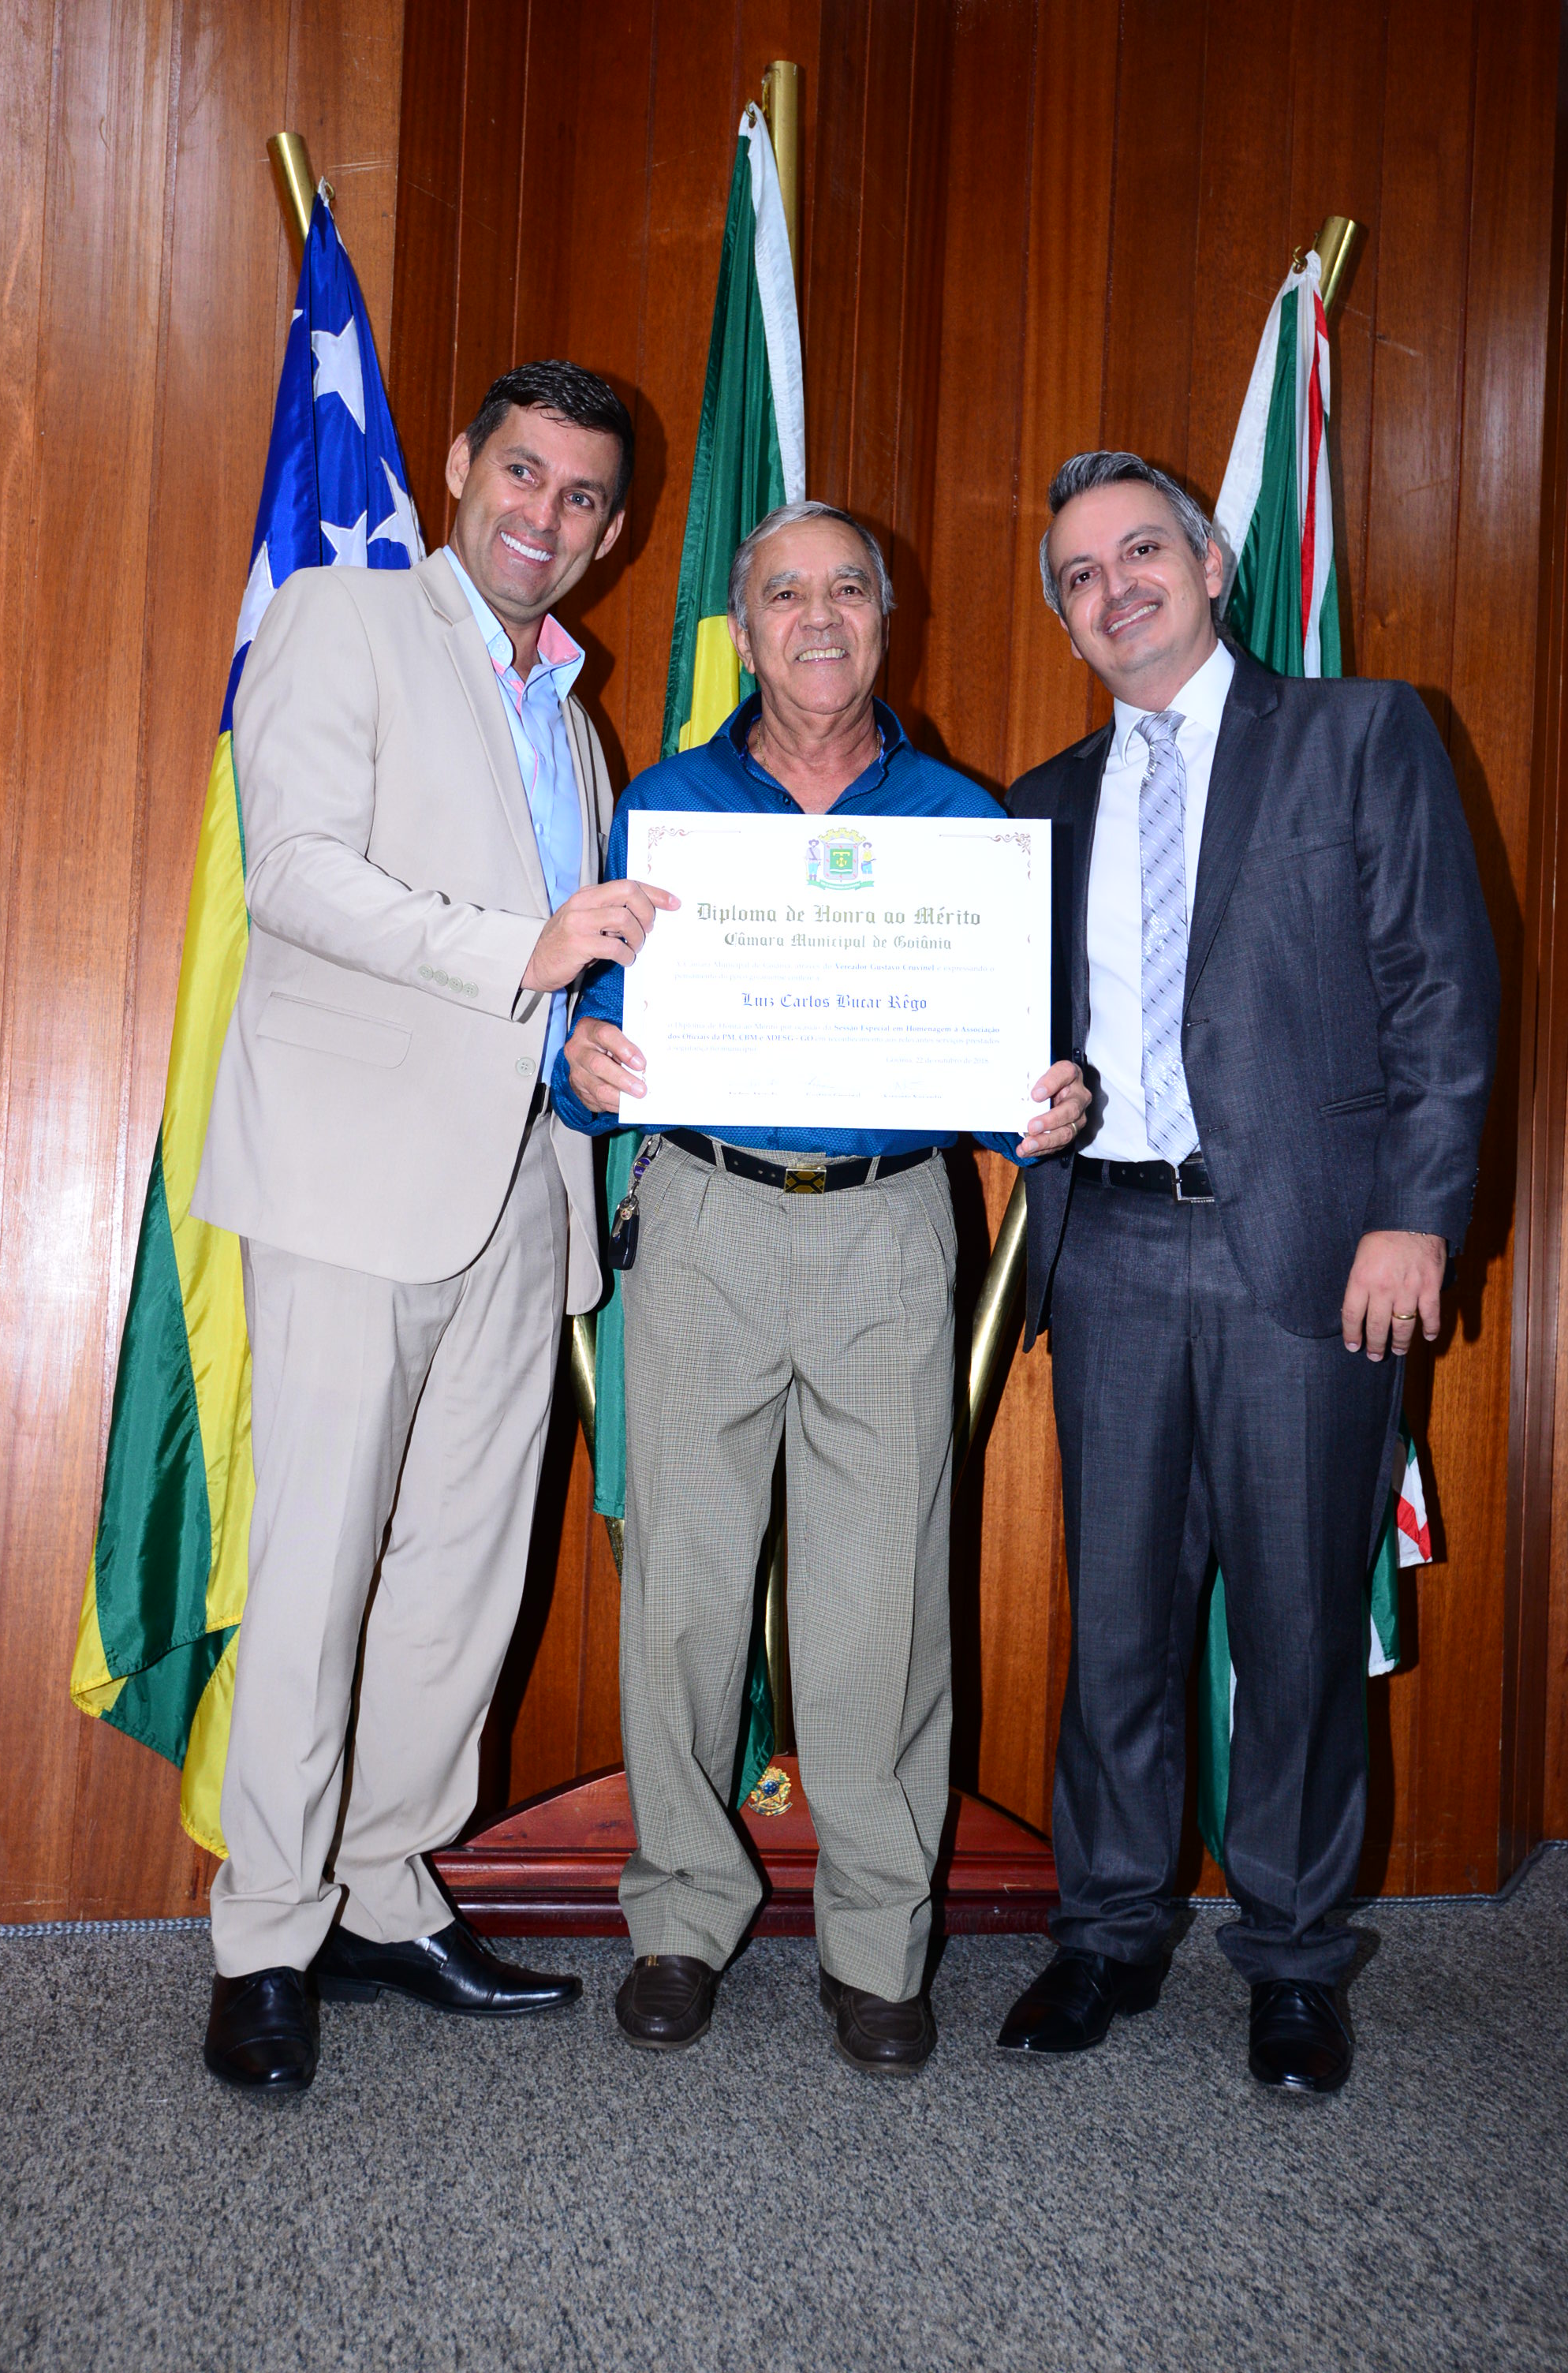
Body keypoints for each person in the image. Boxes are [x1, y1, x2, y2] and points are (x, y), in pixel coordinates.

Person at [192, 361, 677, 2093]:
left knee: (463, 1579)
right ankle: (267, 1932)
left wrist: (587, 1056)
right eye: (523, 473)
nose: (546, 514)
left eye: (582, 496)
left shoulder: (579, 721)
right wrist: (516, 957)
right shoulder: (342, 618)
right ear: (462, 466)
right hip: (350, 1181)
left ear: (610, 533)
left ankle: (385, 1896)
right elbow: (295, 873)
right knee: (317, 1568)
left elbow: (558, 971)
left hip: (526, 1195)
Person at [554, 501, 1087, 2073]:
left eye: (846, 588)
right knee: (683, 1592)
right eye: (783, 592)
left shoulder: (960, 817)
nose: (817, 617)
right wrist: (585, 1068)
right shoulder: (664, 807)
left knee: (881, 1601)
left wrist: (1042, 1100)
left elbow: (1007, 1060)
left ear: (883, 617)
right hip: (703, 1213)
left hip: (887, 1227)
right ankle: (677, 1919)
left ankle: (876, 1944)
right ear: (745, 628)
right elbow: (591, 1034)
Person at [1001, 450, 1498, 2091]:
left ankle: (1290, 1954)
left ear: (1212, 566)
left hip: (1315, 1252)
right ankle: (1108, 1929)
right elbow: (1015, 1038)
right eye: (1079, 574)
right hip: (1111, 1244)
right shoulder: (1041, 802)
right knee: (1118, 1623)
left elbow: (1440, 989)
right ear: (1065, 615)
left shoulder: (1359, 735)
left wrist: (1415, 1215)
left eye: (1141, 550)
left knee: (1294, 1622)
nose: (1114, 588)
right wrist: (1024, 1104)